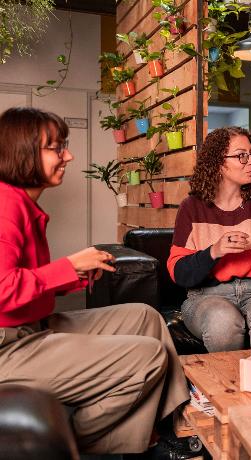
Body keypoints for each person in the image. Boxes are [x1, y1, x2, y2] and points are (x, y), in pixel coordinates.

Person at [0, 107, 190, 455]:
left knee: (145, 317)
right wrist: (68, 266)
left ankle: (171, 427)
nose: (67, 156)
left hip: (32, 326)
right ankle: (69, 444)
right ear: (22, 152)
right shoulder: (4, 205)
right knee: (146, 356)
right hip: (8, 347)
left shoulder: (22, 204)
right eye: (56, 148)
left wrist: (75, 274)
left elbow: (23, 281)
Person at [168, 127, 251, 352]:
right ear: (218, 162)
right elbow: (178, 271)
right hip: (206, 296)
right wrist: (213, 252)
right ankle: (227, 387)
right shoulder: (192, 208)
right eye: (241, 155)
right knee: (222, 321)